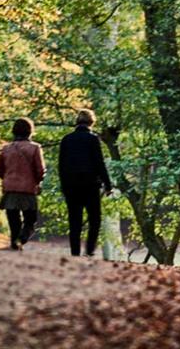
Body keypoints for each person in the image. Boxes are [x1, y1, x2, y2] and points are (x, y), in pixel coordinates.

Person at [58, 109, 112, 257]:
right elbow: (99, 163)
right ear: (91, 122)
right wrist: (108, 185)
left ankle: (75, 253)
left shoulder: (66, 139)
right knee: (95, 218)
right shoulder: (93, 139)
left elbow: (61, 166)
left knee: (74, 220)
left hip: (71, 185)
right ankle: (89, 251)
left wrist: (63, 186)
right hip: (90, 185)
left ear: (77, 122)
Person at [0, 118, 45, 250]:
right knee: (30, 220)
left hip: (10, 189)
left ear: (14, 131)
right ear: (30, 131)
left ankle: (14, 242)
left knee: (13, 219)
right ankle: (21, 239)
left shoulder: (6, 149)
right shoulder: (35, 148)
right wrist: (38, 181)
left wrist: (8, 179)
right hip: (28, 189)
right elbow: (40, 170)